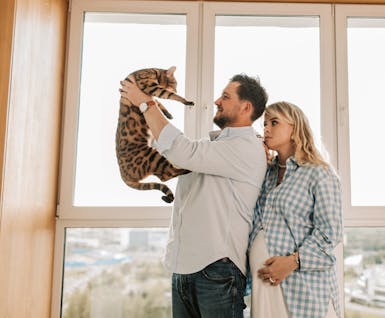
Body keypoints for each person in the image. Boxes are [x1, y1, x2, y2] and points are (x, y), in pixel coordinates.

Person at [120, 73, 268, 318]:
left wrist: (147, 104)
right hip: (186, 267)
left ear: (246, 107)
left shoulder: (246, 148)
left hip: (217, 268)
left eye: (226, 96)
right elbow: (169, 149)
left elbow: (180, 151)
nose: (217, 101)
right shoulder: (214, 147)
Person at [248, 101, 342, 318]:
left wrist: (292, 262)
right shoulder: (267, 175)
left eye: (274, 122)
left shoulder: (318, 173)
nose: (266, 130)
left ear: (294, 128)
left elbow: (331, 233)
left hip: (302, 288)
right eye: (264, 124)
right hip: (264, 287)